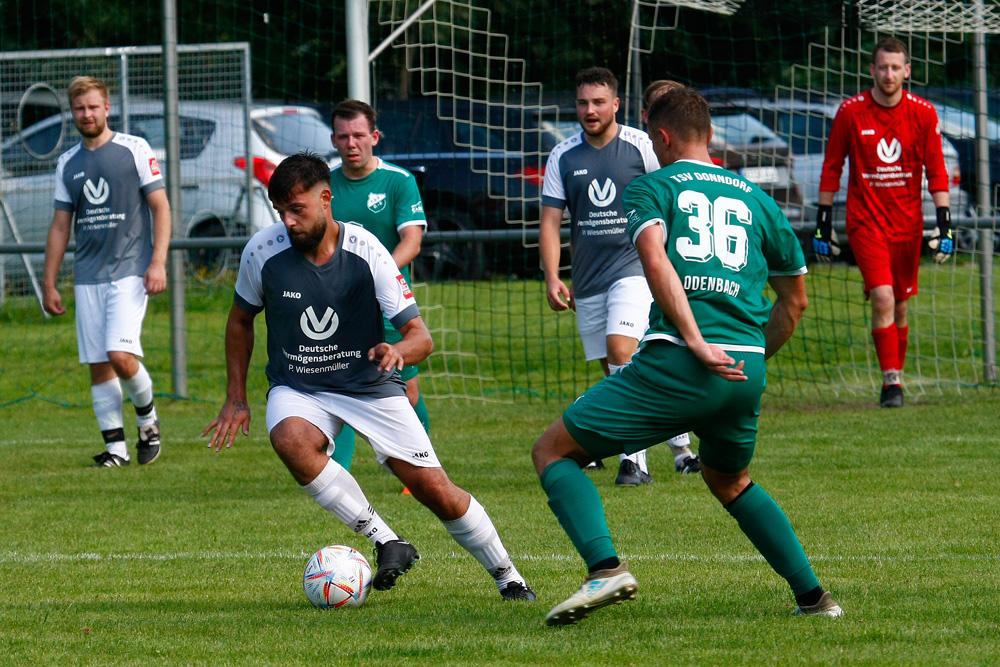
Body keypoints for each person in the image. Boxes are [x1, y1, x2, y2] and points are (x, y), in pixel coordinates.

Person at [532, 86, 843, 626]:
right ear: (713, 135)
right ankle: (815, 598)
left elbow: (653, 259)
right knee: (729, 480)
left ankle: (605, 567)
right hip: (745, 369)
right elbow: (795, 302)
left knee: (553, 452)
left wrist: (697, 342)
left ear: (662, 137)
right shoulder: (759, 199)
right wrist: (749, 357)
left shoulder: (652, 187)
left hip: (679, 361)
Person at [202, 152, 535, 601]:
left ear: (325, 199)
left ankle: (508, 575)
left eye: (297, 209)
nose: (288, 221)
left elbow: (422, 337)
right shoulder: (262, 251)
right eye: (279, 210)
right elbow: (240, 320)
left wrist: (397, 349)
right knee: (290, 440)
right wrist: (236, 397)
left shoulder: (366, 251)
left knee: (433, 489)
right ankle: (387, 540)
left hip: (367, 384)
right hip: (299, 385)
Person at [539, 66, 699, 486]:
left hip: (637, 271)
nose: (589, 110)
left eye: (598, 102)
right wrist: (553, 276)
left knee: (620, 350)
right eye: (582, 103)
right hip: (588, 280)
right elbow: (552, 222)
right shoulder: (563, 155)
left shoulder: (641, 146)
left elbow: (673, 195)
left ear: (615, 104)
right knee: (616, 370)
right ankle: (681, 448)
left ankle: (635, 460)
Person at [42, 76, 171, 468]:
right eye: (80, 108)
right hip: (88, 276)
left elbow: (161, 207)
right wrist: (49, 282)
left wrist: (158, 262)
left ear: (107, 108)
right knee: (99, 363)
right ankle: (116, 450)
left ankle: (148, 421)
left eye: (93, 107)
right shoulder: (68, 163)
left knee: (119, 353)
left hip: (131, 270)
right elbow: (61, 226)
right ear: (73, 112)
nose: (87, 114)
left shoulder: (135, 149)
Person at [816, 37, 952, 408]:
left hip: (908, 225)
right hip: (865, 223)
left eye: (897, 67)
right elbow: (831, 168)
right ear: (872, 70)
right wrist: (822, 224)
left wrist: (945, 224)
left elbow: (937, 172)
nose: (889, 74)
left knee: (901, 304)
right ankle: (891, 384)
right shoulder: (851, 111)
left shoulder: (923, 113)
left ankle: (897, 374)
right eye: (883, 67)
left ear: (907, 71)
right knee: (883, 297)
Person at [326, 99, 430, 477]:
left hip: (388, 301)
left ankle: (419, 462)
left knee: (407, 390)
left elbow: (412, 242)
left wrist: (374, 274)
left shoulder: (398, 181)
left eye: (359, 135)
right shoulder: (325, 186)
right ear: (334, 140)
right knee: (339, 383)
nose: (352, 143)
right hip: (336, 303)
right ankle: (336, 472)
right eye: (343, 136)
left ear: (374, 136)